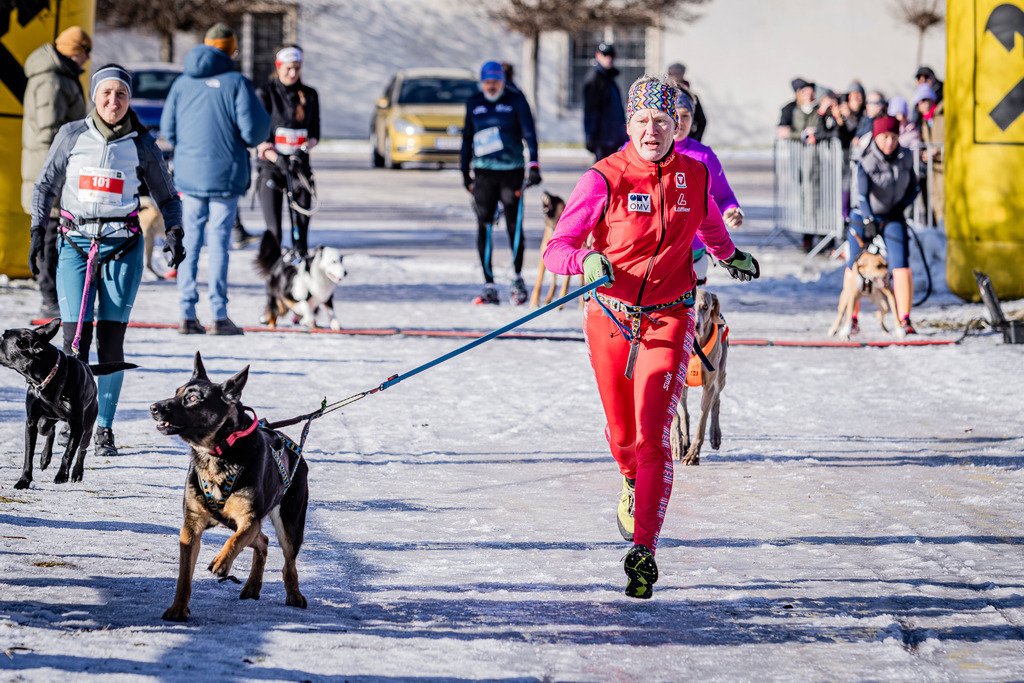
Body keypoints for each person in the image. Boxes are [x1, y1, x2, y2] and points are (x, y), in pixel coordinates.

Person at [542, 75, 759, 599]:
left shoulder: (695, 174)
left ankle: (644, 549)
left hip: (671, 315)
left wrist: (730, 256)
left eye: (663, 121)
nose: (652, 130)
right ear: (629, 125)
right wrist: (584, 259)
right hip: (612, 316)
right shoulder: (604, 177)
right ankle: (629, 479)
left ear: (677, 125)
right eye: (642, 121)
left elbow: (708, 226)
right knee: (623, 437)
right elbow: (557, 248)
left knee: (654, 435)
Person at [30, 64, 185, 456]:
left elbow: (167, 196)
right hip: (75, 244)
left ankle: (104, 427)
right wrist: (36, 230)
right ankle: (69, 420)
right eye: (106, 94)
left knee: (111, 343)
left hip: (122, 247)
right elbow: (45, 184)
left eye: (121, 95)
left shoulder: (141, 142)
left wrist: (174, 232)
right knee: (73, 340)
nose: (113, 101)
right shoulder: (72, 135)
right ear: (94, 97)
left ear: (128, 99)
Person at [161, 23, 271, 335]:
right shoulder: (237, 82)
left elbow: (168, 131)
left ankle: (186, 313)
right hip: (225, 175)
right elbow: (254, 132)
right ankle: (219, 315)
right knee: (220, 242)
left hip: (189, 176)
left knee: (189, 241)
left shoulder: (182, 83)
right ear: (231, 49)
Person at [21, 26, 91, 320]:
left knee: (55, 232)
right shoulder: (52, 80)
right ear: (75, 51)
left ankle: (55, 295)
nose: (87, 59)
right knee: (49, 233)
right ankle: (49, 298)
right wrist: (62, 168)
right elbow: (50, 133)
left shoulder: (58, 76)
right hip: (51, 170)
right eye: (85, 52)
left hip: (54, 167)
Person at [460, 60, 541, 305]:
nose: (491, 86)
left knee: (514, 226)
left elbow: (529, 133)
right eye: (487, 82)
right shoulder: (474, 103)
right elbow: (466, 139)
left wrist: (534, 164)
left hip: (512, 172)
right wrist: (464, 171)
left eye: (495, 81)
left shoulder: (515, 101)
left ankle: (516, 277)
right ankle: (489, 283)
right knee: (484, 225)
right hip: (484, 173)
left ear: (502, 82)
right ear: (481, 82)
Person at [847, 115, 919, 335]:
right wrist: (868, 219)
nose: (889, 142)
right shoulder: (866, 159)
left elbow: (914, 187)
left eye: (894, 137)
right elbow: (862, 194)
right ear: (877, 137)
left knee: (901, 262)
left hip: (892, 214)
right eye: (885, 137)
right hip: (864, 215)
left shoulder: (905, 156)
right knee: (855, 264)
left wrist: (903, 205)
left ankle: (904, 318)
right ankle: (852, 317)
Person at [672, 89, 744, 285]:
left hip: (694, 253)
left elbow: (724, 197)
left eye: (685, 116)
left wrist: (732, 211)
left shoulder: (703, 155)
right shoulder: (634, 151)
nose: (680, 122)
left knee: (692, 313)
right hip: (651, 254)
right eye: (674, 114)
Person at [255, 44, 320, 255]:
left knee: (300, 230)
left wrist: (302, 150)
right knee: (274, 231)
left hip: (299, 168)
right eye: (288, 68)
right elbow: (259, 138)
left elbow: (314, 133)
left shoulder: (309, 95)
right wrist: (278, 159)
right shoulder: (265, 93)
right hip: (273, 167)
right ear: (278, 66)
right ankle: (275, 274)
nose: (293, 73)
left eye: (297, 68)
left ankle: (301, 267)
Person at [582, 43, 627, 161]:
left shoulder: (608, 77)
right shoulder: (595, 79)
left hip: (614, 137)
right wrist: (590, 136)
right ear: (598, 56)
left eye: (611, 55)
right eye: (605, 54)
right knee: (604, 174)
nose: (609, 58)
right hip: (603, 138)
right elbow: (590, 110)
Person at [915, 83, 944, 225]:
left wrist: (938, 151)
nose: (922, 104)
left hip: (946, 169)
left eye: (925, 100)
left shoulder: (943, 115)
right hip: (933, 170)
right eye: (919, 102)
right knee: (935, 202)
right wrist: (925, 154)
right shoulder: (925, 121)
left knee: (945, 202)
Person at [666, 62, 707, 142]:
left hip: (686, 140)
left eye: (675, 73)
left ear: (682, 74)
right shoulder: (664, 94)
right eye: (670, 74)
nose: (672, 76)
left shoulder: (692, 97)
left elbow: (702, 122)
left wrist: (695, 140)